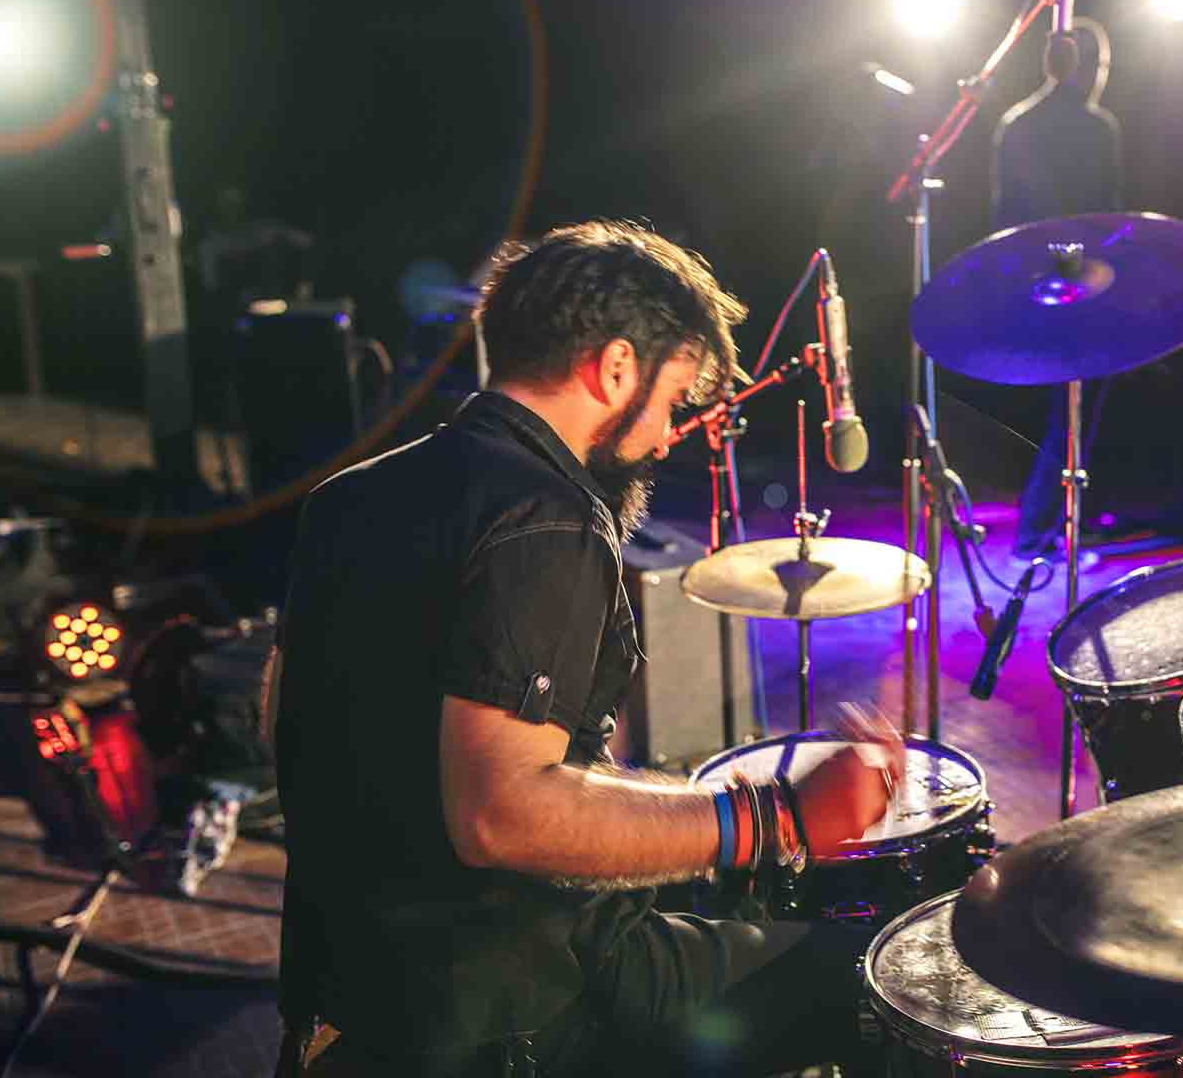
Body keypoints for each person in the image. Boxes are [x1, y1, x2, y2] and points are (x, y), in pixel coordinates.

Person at [264, 219, 905, 1077]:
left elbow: (282, 712)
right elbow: (502, 814)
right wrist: (773, 819)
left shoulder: (349, 497)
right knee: (870, 985)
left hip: (344, 1005)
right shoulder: (549, 516)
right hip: (503, 1020)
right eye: (674, 400)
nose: (669, 433)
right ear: (613, 368)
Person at [992, 21, 1126, 561]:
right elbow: (1106, 214)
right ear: (1084, 67)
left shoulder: (1015, 124)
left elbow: (1006, 216)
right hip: (1079, 280)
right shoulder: (1097, 129)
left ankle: (1054, 526)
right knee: (1072, 408)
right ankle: (1041, 532)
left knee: (1059, 407)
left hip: (1028, 278)